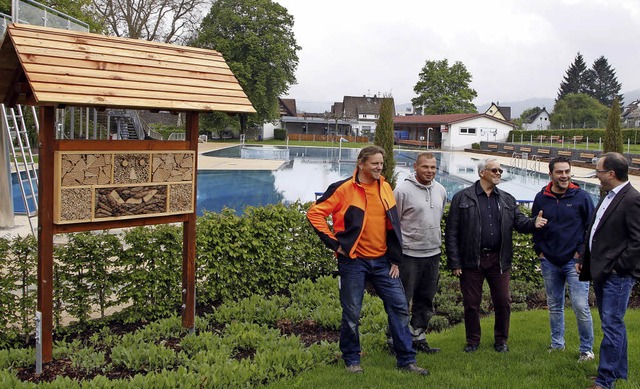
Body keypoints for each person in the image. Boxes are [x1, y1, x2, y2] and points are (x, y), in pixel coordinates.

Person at [306, 145, 429, 376]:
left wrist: (395, 259)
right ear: (361, 164)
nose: (379, 167)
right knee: (352, 313)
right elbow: (315, 213)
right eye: (375, 163)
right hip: (353, 261)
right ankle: (352, 360)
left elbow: (392, 225)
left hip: (383, 261)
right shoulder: (343, 188)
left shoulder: (385, 187)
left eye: (381, 163)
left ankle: (406, 361)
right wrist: (335, 245)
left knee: (400, 308)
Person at [445, 157, 546, 353]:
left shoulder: (507, 199)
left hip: (499, 259)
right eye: (494, 170)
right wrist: (455, 262)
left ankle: (501, 340)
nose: (498, 173)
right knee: (472, 304)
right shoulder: (462, 197)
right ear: (482, 172)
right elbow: (452, 232)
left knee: (503, 301)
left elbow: (519, 222)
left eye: (500, 170)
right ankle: (473, 341)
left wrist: (533, 223)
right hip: (472, 260)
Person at [577, 152, 640, 389]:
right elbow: (595, 230)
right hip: (603, 272)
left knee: (612, 326)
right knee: (614, 324)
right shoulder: (609, 196)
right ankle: (618, 373)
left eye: (600, 172)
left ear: (611, 174)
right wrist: (586, 257)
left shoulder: (632, 199)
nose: (597, 175)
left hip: (617, 276)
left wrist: (618, 268)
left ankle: (605, 381)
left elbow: (637, 241)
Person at [532, 156, 595, 362]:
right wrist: (539, 251)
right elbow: (536, 224)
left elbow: (591, 228)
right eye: (559, 172)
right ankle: (557, 344)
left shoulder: (582, 197)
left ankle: (586, 350)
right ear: (550, 174)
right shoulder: (541, 197)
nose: (564, 175)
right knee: (554, 305)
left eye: (567, 171)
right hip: (549, 260)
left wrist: (582, 254)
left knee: (580, 305)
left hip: (574, 262)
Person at [394, 152, 447, 353]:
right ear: (415, 166)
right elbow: (394, 223)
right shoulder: (402, 191)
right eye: (425, 167)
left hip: (432, 253)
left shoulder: (441, 190)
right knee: (403, 300)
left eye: (433, 167)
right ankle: (395, 341)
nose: (429, 171)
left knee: (426, 299)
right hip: (409, 255)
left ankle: (418, 336)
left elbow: (438, 217)